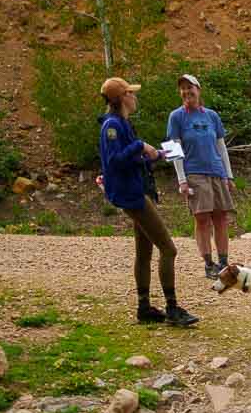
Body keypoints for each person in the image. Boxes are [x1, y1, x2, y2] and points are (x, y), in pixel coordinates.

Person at [97, 77, 196, 327]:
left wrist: (156, 155)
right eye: (131, 93)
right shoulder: (112, 125)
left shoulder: (121, 123)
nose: (135, 97)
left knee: (144, 250)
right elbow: (114, 161)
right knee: (168, 248)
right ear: (121, 98)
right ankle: (172, 308)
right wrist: (140, 146)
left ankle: (144, 307)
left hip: (136, 189)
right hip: (131, 194)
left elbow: (128, 161)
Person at [165, 74, 235, 279]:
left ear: (199, 90)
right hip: (194, 173)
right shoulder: (176, 117)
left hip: (216, 172)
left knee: (221, 217)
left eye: (190, 87)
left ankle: (223, 261)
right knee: (202, 218)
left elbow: (221, 147)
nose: (187, 92)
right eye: (183, 89)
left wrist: (228, 175)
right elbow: (172, 148)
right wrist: (181, 180)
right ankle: (208, 263)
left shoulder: (211, 116)